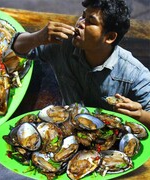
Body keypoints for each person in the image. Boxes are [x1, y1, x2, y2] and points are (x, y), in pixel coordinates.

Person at [11, 0, 150, 127]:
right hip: (66, 128)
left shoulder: (134, 73)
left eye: (90, 21)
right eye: (83, 16)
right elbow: (18, 47)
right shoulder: (63, 44)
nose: (80, 23)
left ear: (110, 37)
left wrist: (141, 115)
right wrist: (38, 37)